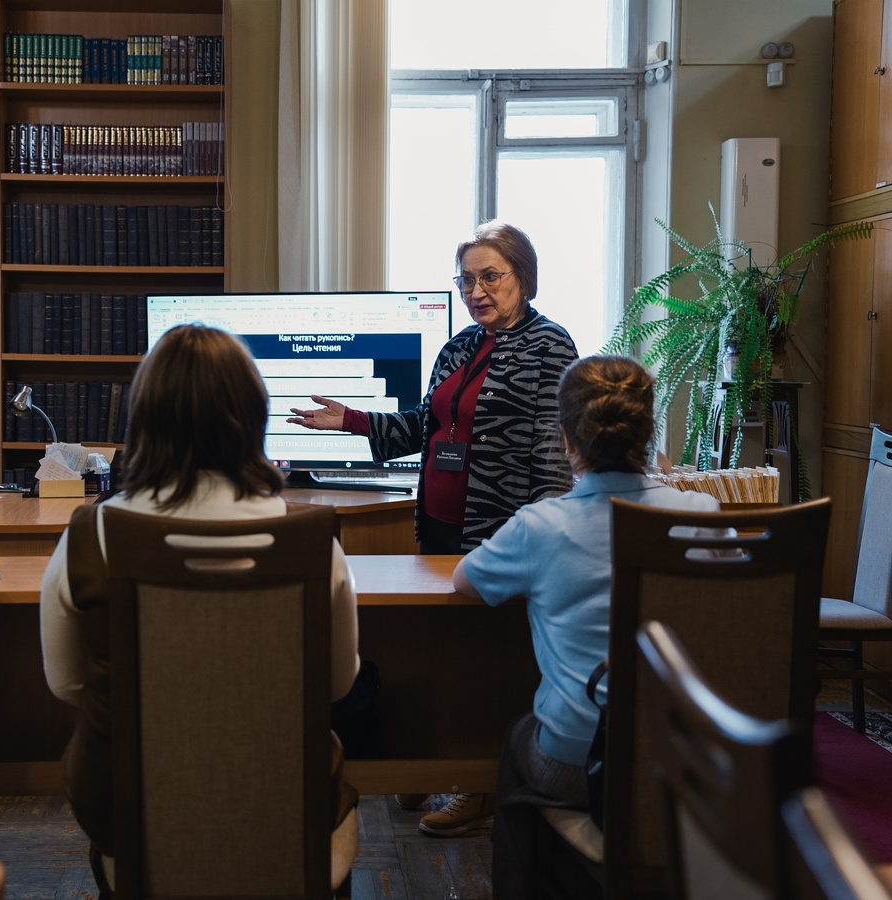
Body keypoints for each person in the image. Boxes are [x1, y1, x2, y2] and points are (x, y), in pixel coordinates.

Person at [40, 324, 361, 897]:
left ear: (144, 417)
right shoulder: (309, 541)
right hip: (287, 809)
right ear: (253, 416)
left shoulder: (92, 535)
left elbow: (66, 684)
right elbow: (336, 685)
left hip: (131, 815)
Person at [288, 219, 579, 834]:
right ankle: (426, 762)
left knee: (483, 659)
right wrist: (352, 421)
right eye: (466, 280)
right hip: (438, 526)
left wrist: (538, 534)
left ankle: (478, 783)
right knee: (434, 651)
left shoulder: (550, 346)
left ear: (523, 277)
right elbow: (425, 426)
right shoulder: (459, 346)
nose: (476, 291)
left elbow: (550, 457)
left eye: (490, 277)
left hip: (499, 531)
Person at [451, 355, 719, 898]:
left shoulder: (540, 527)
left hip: (579, 759)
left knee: (518, 736)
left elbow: (465, 582)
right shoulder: (702, 514)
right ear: (647, 432)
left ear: (567, 437)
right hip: (686, 757)